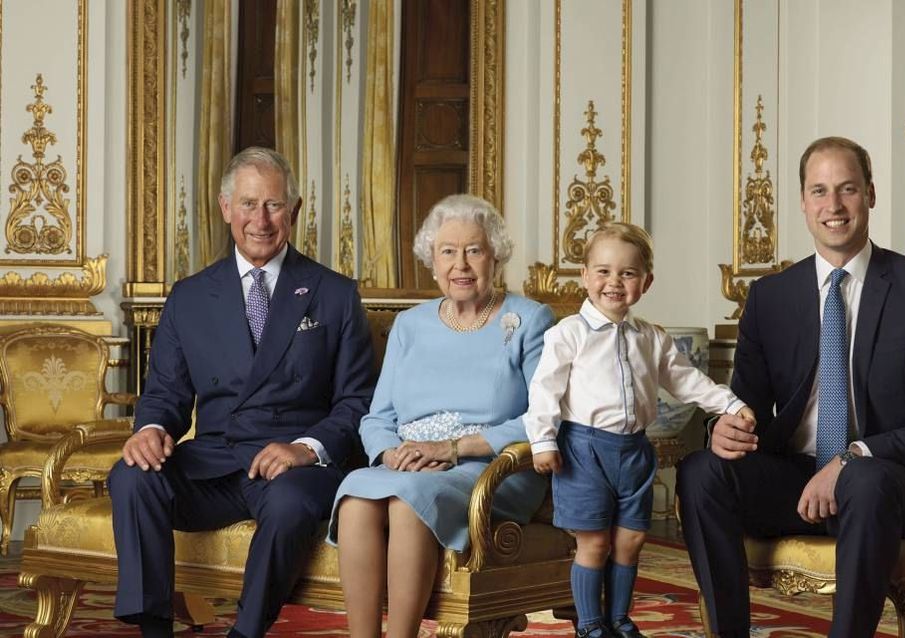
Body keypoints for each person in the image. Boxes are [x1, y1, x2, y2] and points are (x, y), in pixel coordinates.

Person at [677, 136, 905, 638]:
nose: (833, 206)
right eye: (819, 191)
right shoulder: (769, 297)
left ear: (871, 194)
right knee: (702, 471)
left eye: (847, 189)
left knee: (865, 478)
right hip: (795, 480)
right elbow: (743, 403)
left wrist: (852, 456)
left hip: (891, 481)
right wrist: (722, 429)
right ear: (803, 203)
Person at [108, 147, 376, 638]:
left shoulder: (335, 294)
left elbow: (358, 403)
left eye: (273, 205)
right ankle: (153, 626)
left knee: (291, 503)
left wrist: (305, 449)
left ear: (294, 212)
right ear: (225, 208)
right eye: (248, 204)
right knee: (131, 474)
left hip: (291, 467)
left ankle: (246, 632)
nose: (261, 219)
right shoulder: (189, 296)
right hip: (213, 463)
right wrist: (149, 430)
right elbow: (165, 394)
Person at [331, 193, 555, 638]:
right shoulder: (411, 325)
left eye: (474, 250)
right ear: (432, 262)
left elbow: (542, 417)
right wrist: (391, 453)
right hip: (409, 462)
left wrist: (452, 449)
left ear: (496, 257)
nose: (462, 265)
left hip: (491, 466)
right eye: (448, 252)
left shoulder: (529, 319)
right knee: (355, 496)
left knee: (408, 499)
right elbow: (377, 417)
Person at [523, 222, 754, 638]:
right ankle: (591, 625)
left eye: (627, 274)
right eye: (603, 271)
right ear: (585, 277)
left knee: (630, 541)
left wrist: (730, 403)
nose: (614, 282)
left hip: (634, 451)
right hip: (583, 451)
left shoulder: (651, 337)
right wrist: (542, 440)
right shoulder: (567, 335)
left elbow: (686, 380)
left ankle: (619, 619)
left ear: (645, 283)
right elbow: (544, 391)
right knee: (593, 543)